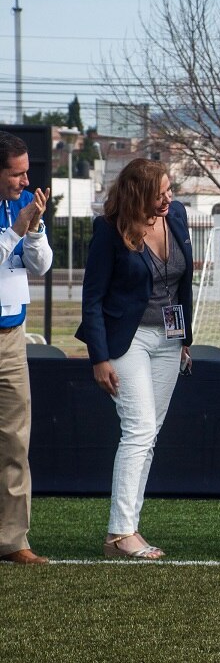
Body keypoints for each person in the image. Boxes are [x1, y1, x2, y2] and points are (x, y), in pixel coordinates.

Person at [76, 158, 193, 559]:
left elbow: (182, 284)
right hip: (127, 340)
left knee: (149, 435)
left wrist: (185, 339)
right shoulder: (108, 230)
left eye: (169, 190)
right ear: (137, 195)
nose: (168, 199)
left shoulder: (176, 215)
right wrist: (99, 357)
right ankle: (120, 534)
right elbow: (92, 298)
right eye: (159, 194)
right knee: (139, 430)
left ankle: (128, 528)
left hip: (170, 339)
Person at [0, 132, 52, 565]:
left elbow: (41, 265)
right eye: (16, 173)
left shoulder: (23, 206)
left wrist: (33, 232)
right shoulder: (15, 214)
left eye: (26, 171)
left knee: (15, 441)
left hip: (12, 336)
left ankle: (12, 539)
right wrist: (17, 229)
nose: (25, 181)